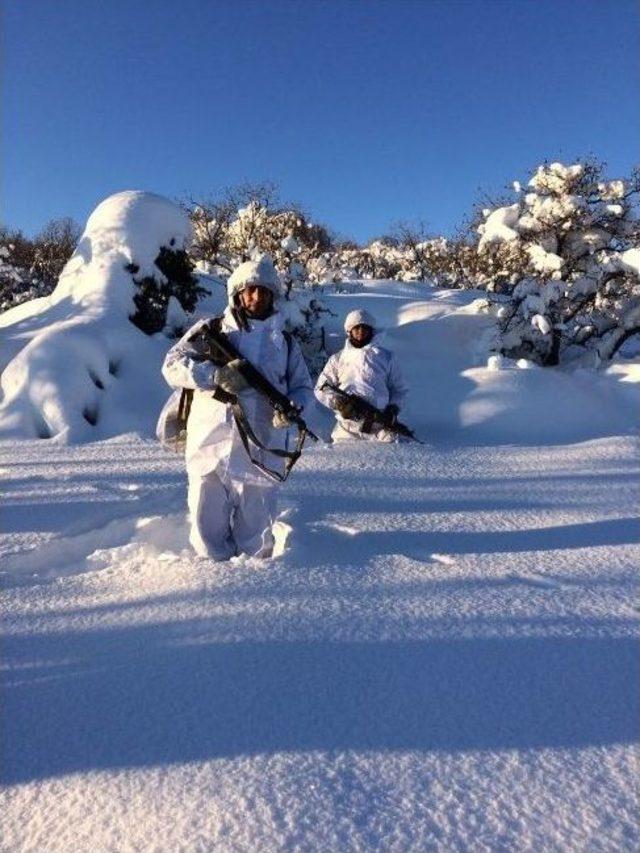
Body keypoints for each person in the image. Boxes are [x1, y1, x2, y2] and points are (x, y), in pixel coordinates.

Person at [162, 255, 314, 560]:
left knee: (256, 546)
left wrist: (293, 409)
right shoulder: (211, 329)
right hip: (209, 446)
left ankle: (255, 596)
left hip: (261, 452)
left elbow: (303, 388)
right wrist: (213, 375)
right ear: (237, 293)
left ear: (273, 295)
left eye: (264, 291)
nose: (257, 297)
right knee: (207, 540)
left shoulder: (285, 343)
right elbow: (171, 365)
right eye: (250, 290)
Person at [315, 308, 408, 441]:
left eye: (365, 328)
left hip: (380, 427)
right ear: (349, 331)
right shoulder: (338, 359)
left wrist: (393, 408)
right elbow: (320, 388)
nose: (361, 331)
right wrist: (338, 403)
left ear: (371, 330)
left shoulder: (387, 357)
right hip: (347, 428)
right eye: (356, 328)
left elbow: (400, 389)